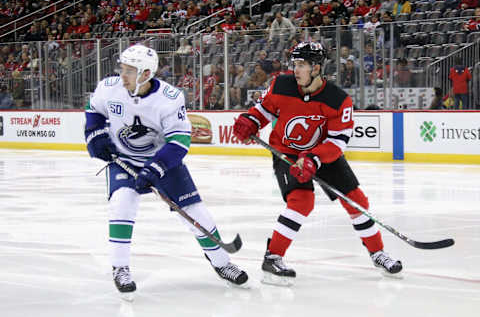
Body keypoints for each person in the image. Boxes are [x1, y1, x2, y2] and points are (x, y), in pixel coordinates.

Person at [84, 44, 248, 299]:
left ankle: (222, 263)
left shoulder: (170, 99)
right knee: (121, 204)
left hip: (163, 162)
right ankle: (120, 268)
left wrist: (155, 169)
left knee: (196, 214)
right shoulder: (109, 87)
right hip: (124, 159)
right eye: (122, 68)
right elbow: (93, 110)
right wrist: (95, 135)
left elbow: (179, 141)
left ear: (146, 74)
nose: (122, 75)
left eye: (129, 70)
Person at [232, 42, 402, 286]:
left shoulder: (338, 100)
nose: (296, 69)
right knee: (302, 201)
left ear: (317, 68)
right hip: (287, 152)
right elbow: (263, 110)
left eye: (302, 65)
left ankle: (377, 253)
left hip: (322, 154)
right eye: (295, 64)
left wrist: (313, 158)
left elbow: (337, 142)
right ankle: (273, 257)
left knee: (356, 200)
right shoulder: (281, 84)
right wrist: (250, 121)